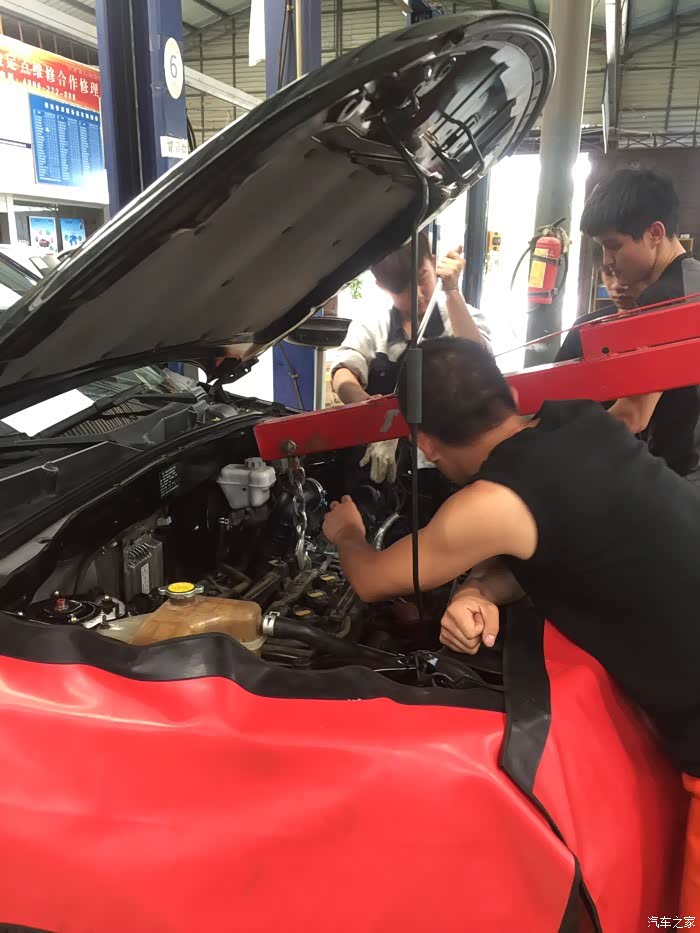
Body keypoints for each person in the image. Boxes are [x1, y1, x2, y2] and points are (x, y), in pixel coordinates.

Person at [322, 337, 700, 913]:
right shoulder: (585, 423)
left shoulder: (490, 503)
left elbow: (373, 579)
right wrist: (478, 587)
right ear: (510, 395)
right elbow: (562, 534)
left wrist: (347, 535)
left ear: (425, 444)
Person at [557, 168, 700, 478]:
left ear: (655, 233)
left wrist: (540, 442)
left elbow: (632, 415)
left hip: (682, 477)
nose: (608, 260)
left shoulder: (664, 300)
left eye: (614, 245)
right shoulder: (692, 280)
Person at [331, 232, 490, 484]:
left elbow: (482, 365)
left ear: (433, 263)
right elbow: (343, 372)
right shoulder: (372, 325)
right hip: (382, 466)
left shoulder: (462, 317)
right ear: (381, 286)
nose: (417, 295)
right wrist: (370, 411)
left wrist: (452, 291)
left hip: (449, 465)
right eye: (401, 288)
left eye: (422, 277)